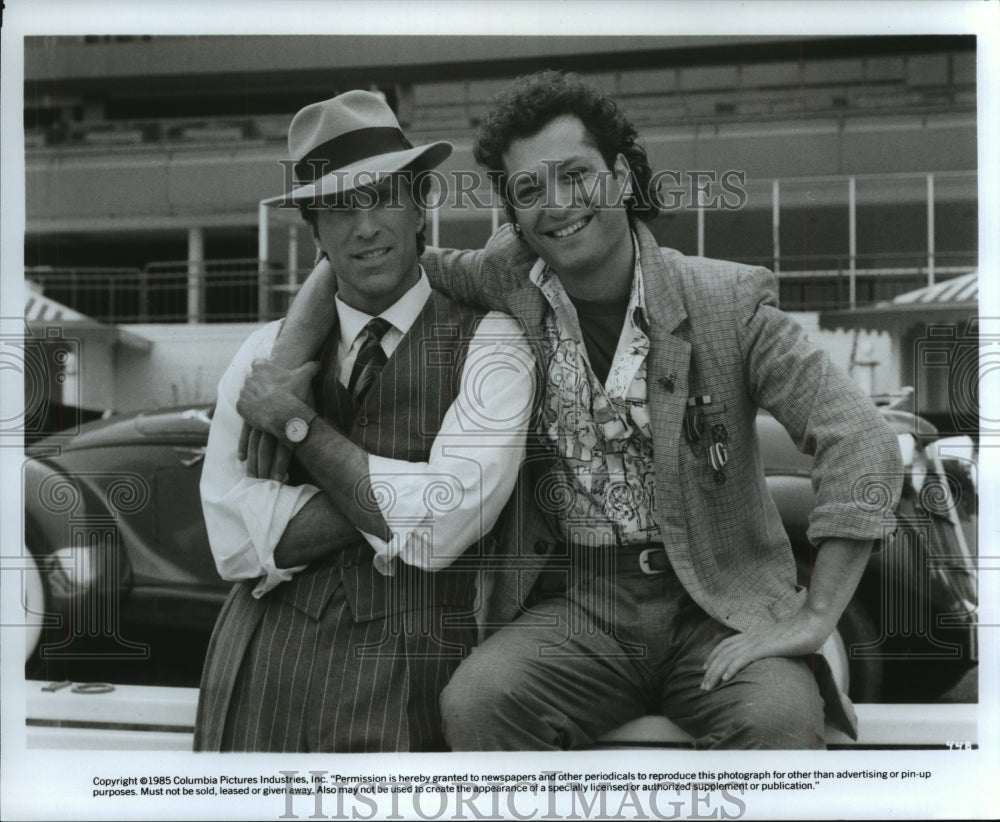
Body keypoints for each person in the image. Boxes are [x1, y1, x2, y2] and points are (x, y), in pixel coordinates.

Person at [253, 71, 902, 750]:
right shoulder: (509, 279)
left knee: (777, 720)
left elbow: (861, 439)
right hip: (580, 607)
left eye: (576, 175)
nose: (557, 205)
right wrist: (287, 370)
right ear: (513, 213)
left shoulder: (726, 301)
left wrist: (817, 615)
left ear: (620, 176)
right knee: (478, 703)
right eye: (529, 190)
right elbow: (375, 255)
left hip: (720, 604)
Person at [193, 90, 534, 752]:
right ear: (314, 232)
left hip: (408, 681)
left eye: (382, 198)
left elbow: (445, 526)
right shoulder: (263, 354)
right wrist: (406, 490)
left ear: (420, 204)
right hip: (259, 676)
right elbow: (232, 540)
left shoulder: (493, 341)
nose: (366, 226)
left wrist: (299, 429)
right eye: (340, 208)